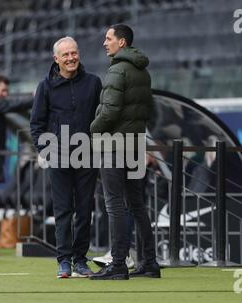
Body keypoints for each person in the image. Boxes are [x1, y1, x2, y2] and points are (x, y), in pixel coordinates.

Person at [89, 24, 160, 280]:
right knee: (137, 204)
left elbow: (108, 112)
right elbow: (148, 110)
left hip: (114, 146)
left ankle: (118, 263)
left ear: (122, 42)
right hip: (134, 144)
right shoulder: (143, 71)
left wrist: (91, 131)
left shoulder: (118, 70)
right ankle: (150, 262)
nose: (104, 43)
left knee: (114, 204)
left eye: (108, 38)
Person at [30, 36, 102, 278]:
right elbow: (36, 125)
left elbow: (102, 118)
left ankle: (80, 260)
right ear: (56, 59)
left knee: (84, 210)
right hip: (58, 156)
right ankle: (63, 261)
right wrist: (46, 153)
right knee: (63, 211)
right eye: (66, 55)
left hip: (87, 156)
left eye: (74, 53)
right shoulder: (45, 86)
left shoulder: (93, 83)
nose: (71, 58)